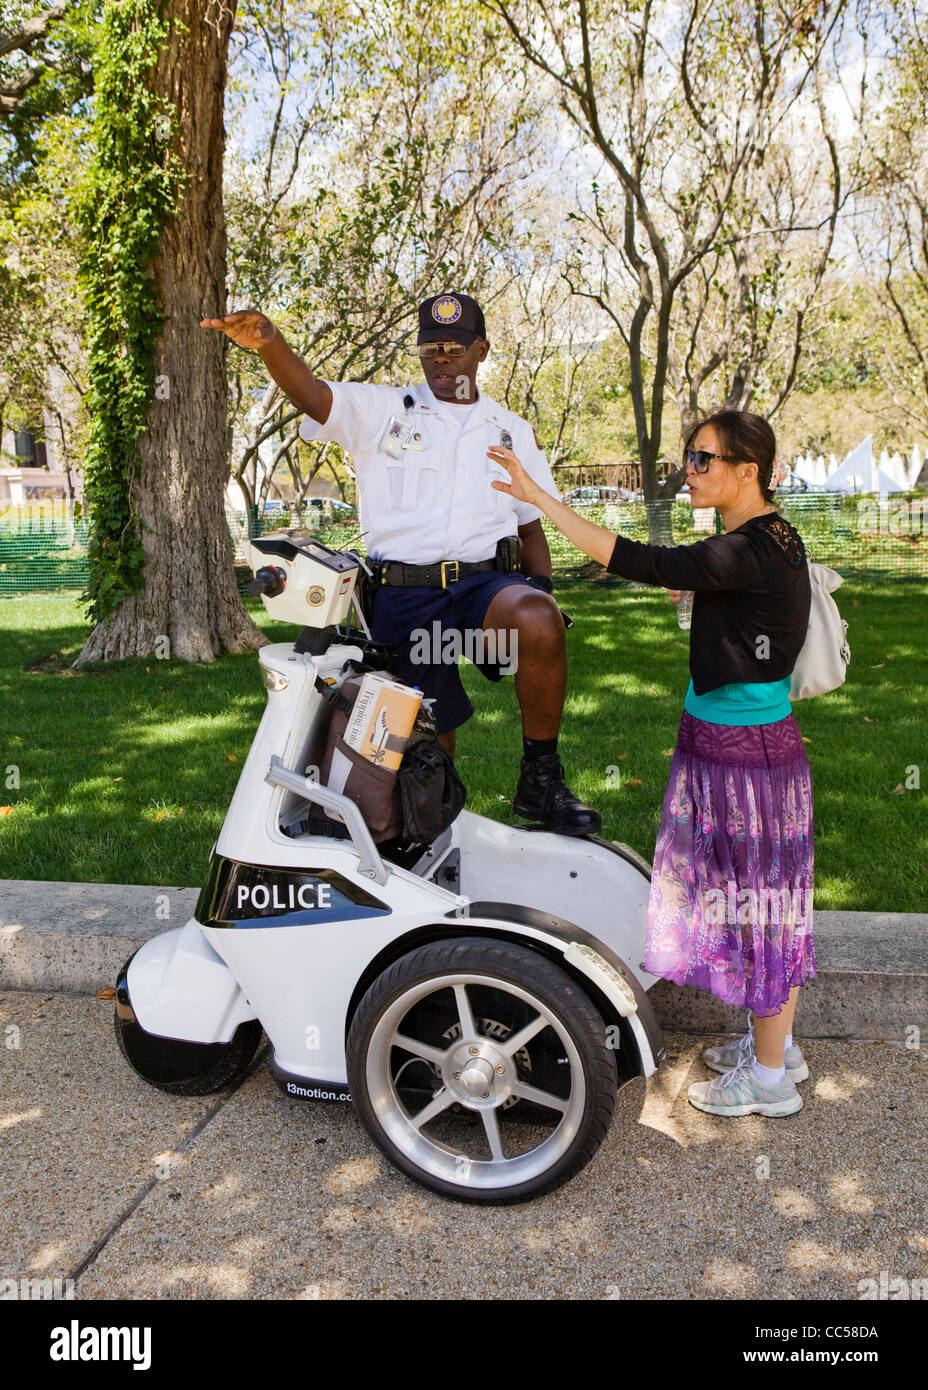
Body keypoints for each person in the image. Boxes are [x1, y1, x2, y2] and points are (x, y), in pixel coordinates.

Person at [489, 410, 816, 1118]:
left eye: (702, 460)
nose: (687, 473)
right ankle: (775, 1046)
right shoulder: (770, 536)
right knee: (759, 899)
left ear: (746, 472)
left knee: (759, 907)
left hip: (742, 760)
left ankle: (768, 1083)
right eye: (688, 458)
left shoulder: (743, 549)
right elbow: (753, 608)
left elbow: (635, 559)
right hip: (748, 746)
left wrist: (540, 500)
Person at [201, 292, 601, 835]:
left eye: (454, 348)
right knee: (426, 726)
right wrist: (271, 345)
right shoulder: (385, 410)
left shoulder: (511, 431)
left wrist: (544, 593)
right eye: (430, 347)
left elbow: (530, 527)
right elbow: (314, 396)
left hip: (486, 586)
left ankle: (541, 778)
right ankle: (429, 820)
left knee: (537, 617)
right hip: (405, 595)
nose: (441, 358)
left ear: (480, 351)